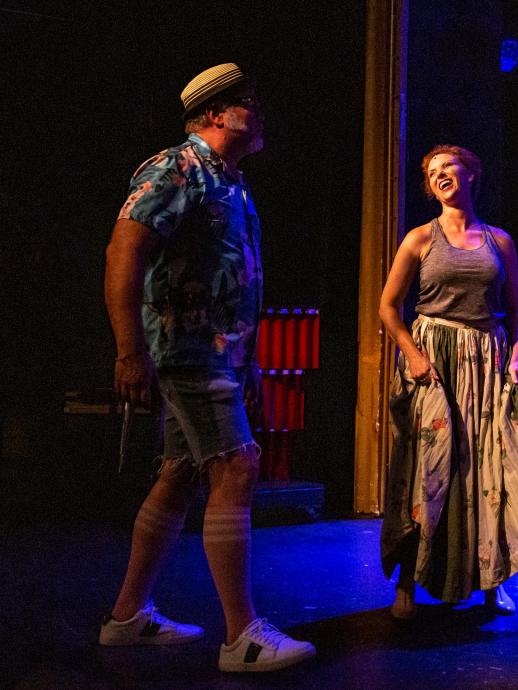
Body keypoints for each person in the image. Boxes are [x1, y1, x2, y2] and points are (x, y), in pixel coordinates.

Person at [100, 63, 315, 672]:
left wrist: (249, 367)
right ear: (217, 114)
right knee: (237, 467)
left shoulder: (232, 182)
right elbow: (125, 249)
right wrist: (128, 351)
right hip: (186, 350)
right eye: (251, 104)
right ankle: (241, 636)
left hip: (219, 356)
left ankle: (127, 615)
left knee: (180, 473)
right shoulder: (177, 168)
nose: (261, 115)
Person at [378, 144, 518, 620]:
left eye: (447, 167)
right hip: (434, 360)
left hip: (487, 360)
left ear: (471, 174)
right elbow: (388, 307)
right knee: (427, 469)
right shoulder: (419, 239)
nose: (440, 176)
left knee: (489, 469)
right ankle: (409, 584)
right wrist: (412, 356)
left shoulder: (500, 241)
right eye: (432, 172)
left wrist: (515, 358)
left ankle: (493, 579)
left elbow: (516, 311)